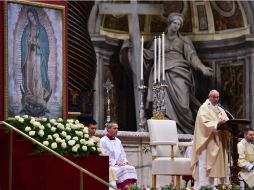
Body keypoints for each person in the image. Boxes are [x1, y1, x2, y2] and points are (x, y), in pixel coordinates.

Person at [142, 13, 213, 133]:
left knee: (184, 103)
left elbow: (192, 57)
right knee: (161, 100)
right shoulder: (159, 40)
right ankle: (165, 127)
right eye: (175, 23)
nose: (177, 26)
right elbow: (150, 55)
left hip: (179, 71)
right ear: (169, 23)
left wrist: (202, 68)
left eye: (179, 24)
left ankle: (186, 129)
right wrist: (138, 47)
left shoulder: (183, 40)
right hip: (161, 71)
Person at [191, 90, 230, 189]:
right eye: (214, 97)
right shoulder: (204, 108)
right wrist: (217, 124)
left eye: (217, 97)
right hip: (207, 140)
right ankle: (205, 185)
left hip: (219, 139)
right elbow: (203, 123)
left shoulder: (220, 109)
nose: (216, 99)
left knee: (218, 164)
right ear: (209, 97)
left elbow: (227, 121)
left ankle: (218, 185)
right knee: (206, 163)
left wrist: (225, 124)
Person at [20, 8, 51, 116]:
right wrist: (27, 42)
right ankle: (29, 94)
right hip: (29, 55)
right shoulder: (26, 29)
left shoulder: (41, 29)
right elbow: (23, 42)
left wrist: (38, 43)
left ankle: (38, 95)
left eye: (32, 16)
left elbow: (46, 45)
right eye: (29, 17)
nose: (31, 19)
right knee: (29, 74)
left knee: (37, 75)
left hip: (38, 55)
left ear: (35, 16)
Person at [99, 121, 137, 190]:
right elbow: (104, 155)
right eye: (114, 128)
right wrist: (115, 162)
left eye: (117, 128)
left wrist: (125, 161)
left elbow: (122, 154)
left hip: (119, 164)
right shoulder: (103, 141)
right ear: (108, 129)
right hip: (110, 166)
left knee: (130, 168)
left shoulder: (118, 141)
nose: (117, 130)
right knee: (123, 169)